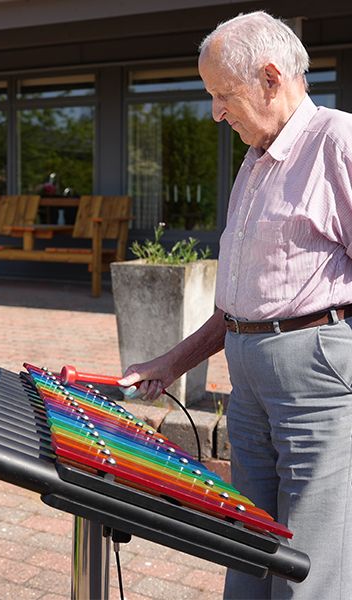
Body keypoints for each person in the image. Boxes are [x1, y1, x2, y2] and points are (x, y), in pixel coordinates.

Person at [117, 10, 352, 600]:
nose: (216, 112)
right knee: (246, 538)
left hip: (314, 374)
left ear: (271, 79)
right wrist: (171, 362)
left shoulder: (338, 142)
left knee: (310, 558)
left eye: (224, 95)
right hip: (246, 373)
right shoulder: (254, 160)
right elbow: (241, 301)